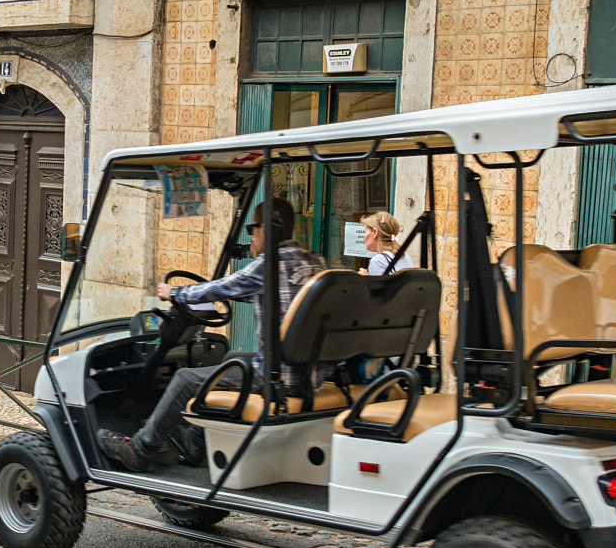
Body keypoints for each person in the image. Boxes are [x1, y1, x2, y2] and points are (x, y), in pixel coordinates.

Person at [97, 198, 326, 471]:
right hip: (309, 371)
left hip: (279, 376)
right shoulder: (315, 262)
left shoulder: (268, 265)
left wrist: (175, 293)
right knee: (232, 356)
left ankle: (141, 448)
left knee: (184, 379)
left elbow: (221, 287)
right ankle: (196, 441)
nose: (251, 237)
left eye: (252, 229)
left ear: (265, 228)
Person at [360, 211, 413, 275]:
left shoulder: (378, 261)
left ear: (374, 232)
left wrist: (365, 280)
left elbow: (379, 285)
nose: (364, 238)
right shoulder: (405, 256)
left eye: (365, 232)